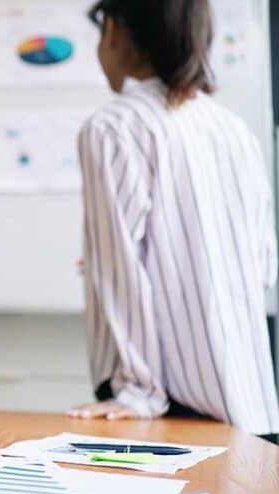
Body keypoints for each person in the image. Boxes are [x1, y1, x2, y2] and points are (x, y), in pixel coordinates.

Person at [69, 0, 279, 443]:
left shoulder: (112, 128)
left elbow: (123, 274)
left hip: (167, 407)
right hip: (252, 398)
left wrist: (137, 393)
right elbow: (264, 266)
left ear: (114, 31)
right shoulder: (234, 130)